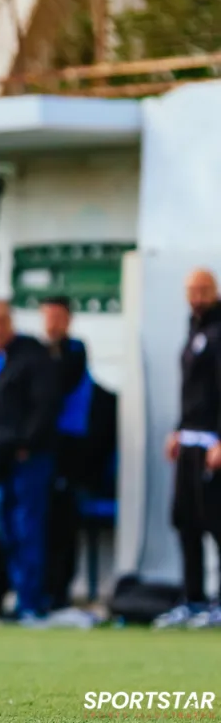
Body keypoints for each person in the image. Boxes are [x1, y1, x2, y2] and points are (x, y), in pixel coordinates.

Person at [0, 300, 59, 624]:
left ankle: (31, 602)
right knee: (7, 528)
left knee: (28, 529)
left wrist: (27, 444)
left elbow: (45, 405)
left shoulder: (33, 356)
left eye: (0, 321)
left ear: (10, 321)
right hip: (0, 460)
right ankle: (18, 596)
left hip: (29, 459)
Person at [154, 269, 221, 629]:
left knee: (216, 521)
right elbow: (192, 391)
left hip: (212, 443)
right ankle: (193, 599)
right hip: (189, 441)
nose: (197, 296)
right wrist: (178, 430)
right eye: (192, 290)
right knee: (186, 520)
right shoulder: (193, 330)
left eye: (203, 290)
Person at [40, 296, 92, 612]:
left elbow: (57, 385)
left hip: (69, 452)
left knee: (64, 523)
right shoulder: (35, 351)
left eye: (58, 317)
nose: (52, 323)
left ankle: (61, 592)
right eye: (48, 317)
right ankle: (40, 591)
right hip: (41, 449)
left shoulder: (75, 350)